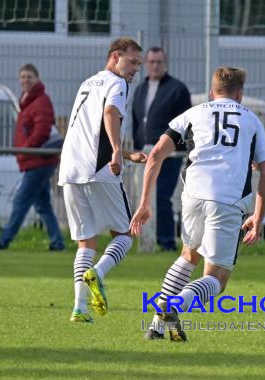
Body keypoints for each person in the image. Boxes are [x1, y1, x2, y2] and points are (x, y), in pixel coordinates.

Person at [130, 66, 265, 342]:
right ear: (240, 94)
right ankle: (175, 306)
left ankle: (156, 327)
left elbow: (155, 154)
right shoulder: (252, 121)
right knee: (217, 278)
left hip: (193, 195)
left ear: (212, 92)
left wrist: (144, 202)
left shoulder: (194, 112)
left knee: (188, 255)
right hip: (228, 200)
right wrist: (258, 215)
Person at [58, 37, 147, 323]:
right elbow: (109, 114)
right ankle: (99, 272)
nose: (136, 69)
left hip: (70, 169)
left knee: (86, 243)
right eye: (132, 62)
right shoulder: (117, 83)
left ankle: (79, 309)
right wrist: (119, 152)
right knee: (124, 235)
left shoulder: (88, 83)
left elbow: (90, 130)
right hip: (98, 169)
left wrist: (126, 153)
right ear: (115, 57)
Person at [0, 64, 65, 251]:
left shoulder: (41, 101)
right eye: (23, 77)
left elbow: (42, 130)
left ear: (37, 78)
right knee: (43, 206)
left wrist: (26, 149)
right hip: (34, 160)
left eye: (29, 77)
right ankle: (57, 242)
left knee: (21, 200)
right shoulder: (27, 100)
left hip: (39, 160)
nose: (25, 80)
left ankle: (4, 240)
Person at [132, 46, 192, 251]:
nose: (155, 66)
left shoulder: (177, 89)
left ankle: (166, 242)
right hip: (145, 153)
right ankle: (146, 241)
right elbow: (136, 120)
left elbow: (185, 123)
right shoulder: (140, 89)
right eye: (151, 62)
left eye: (159, 62)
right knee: (144, 198)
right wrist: (136, 147)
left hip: (169, 154)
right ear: (146, 64)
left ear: (165, 63)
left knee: (162, 197)